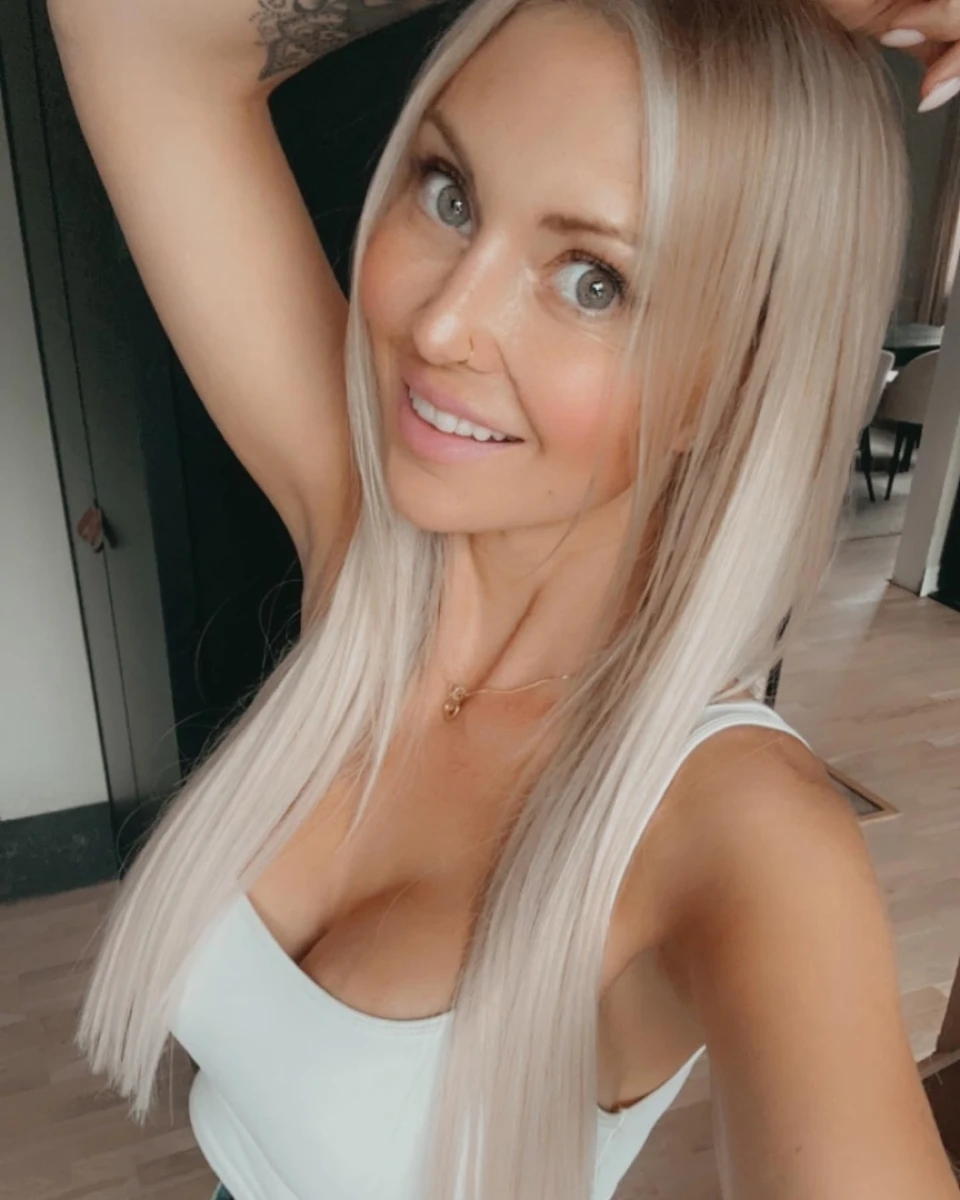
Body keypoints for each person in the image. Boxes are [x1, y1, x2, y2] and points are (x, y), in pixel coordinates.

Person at [48, 0, 960, 1197]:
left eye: (593, 282)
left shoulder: (737, 828)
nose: (443, 325)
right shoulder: (371, 560)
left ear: (728, 382)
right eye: (450, 195)